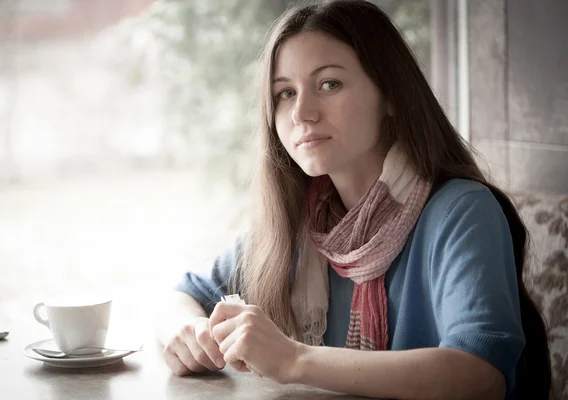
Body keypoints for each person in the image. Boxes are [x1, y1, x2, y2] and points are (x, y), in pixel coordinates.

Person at [155, 1, 551, 399]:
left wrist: (294, 359)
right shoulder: (300, 223)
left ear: (390, 95)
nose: (302, 113)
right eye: (285, 93)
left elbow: (479, 375)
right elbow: (185, 295)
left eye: (329, 84)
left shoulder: (463, 211)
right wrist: (187, 334)